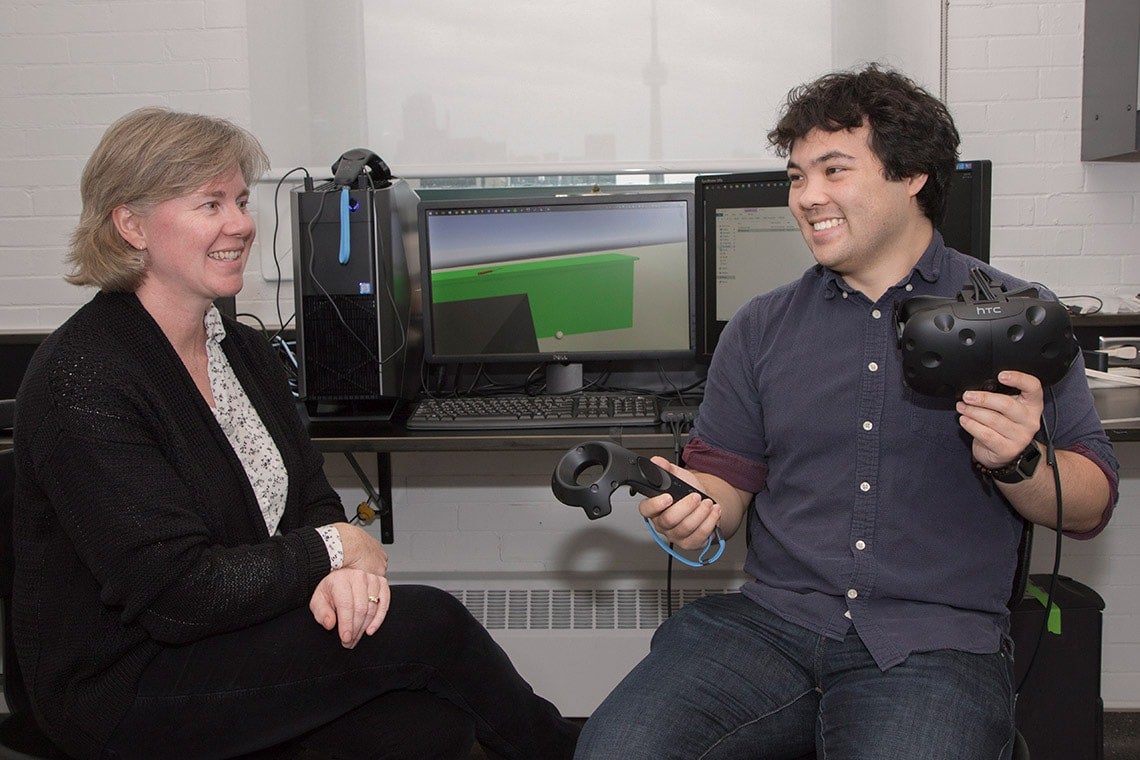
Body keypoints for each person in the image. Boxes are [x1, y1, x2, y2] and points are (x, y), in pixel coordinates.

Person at [574, 65, 1119, 760]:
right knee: (616, 748)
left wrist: (1021, 460)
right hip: (771, 624)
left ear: (912, 173)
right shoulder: (761, 326)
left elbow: (1090, 503)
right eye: (797, 177)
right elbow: (725, 490)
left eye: (833, 170)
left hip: (933, 641)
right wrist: (691, 506)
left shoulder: (1013, 318)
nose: (807, 197)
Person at [12, 107, 580, 760]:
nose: (240, 224)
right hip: (126, 685)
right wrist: (336, 549)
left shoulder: (241, 351)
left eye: (240, 201)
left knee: (428, 725)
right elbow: (178, 594)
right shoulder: (86, 375)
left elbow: (309, 494)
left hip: (229, 637)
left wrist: (339, 571)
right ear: (131, 225)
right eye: (210, 204)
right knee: (432, 625)